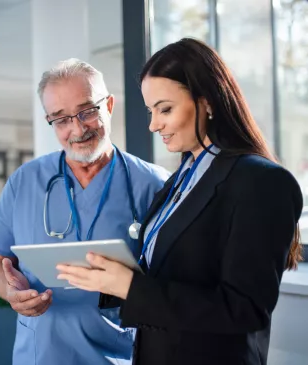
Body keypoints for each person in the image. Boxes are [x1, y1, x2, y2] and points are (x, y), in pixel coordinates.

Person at [57, 38, 304, 365]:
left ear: (208, 102)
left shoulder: (260, 181)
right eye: (150, 111)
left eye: (165, 109)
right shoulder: (181, 179)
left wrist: (132, 287)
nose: (153, 124)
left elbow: (245, 310)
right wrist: (113, 277)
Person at [0, 58, 169, 365]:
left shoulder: (152, 184)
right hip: (40, 354)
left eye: (87, 111)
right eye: (61, 119)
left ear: (108, 105)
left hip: (119, 353)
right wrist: (11, 294)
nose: (77, 129)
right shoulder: (25, 181)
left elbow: (173, 281)